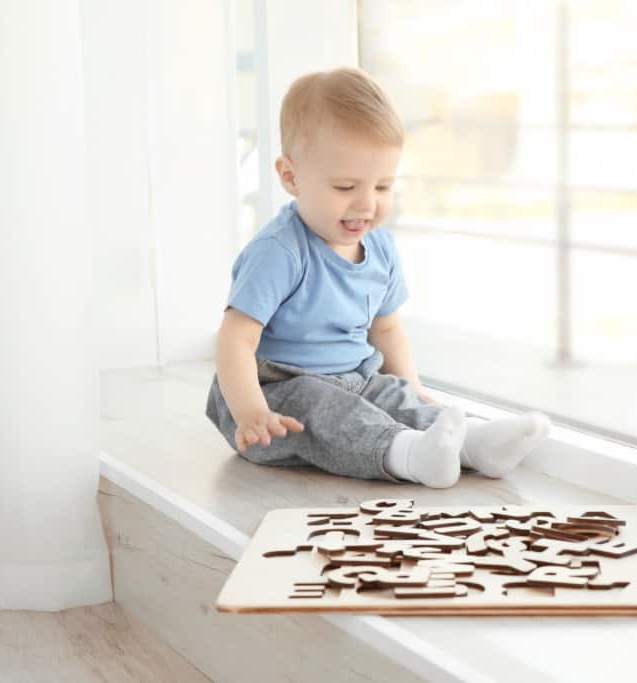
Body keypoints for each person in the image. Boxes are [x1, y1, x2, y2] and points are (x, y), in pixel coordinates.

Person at [206, 67, 550, 488]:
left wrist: (415, 390)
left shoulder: (380, 249)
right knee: (327, 409)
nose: (366, 204)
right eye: (346, 186)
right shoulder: (279, 252)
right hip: (276, 396)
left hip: (355, 379)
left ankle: (472, 443)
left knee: (393, 395)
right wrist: (250, 411)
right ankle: (407, 456)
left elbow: (385, 328)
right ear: (291, 177)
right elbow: (235, 338)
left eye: (383, 186)